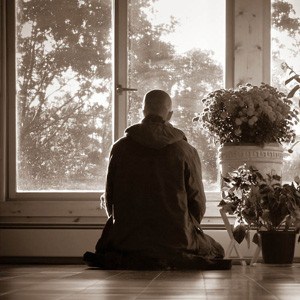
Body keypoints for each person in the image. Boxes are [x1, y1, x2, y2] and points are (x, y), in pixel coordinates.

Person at [83, 89, 228, 270]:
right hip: (177, 242)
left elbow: (110, 198)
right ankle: (166, 257)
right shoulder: (186, 150)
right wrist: (187, 228)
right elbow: (197, 202)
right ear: (170, 114)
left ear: (143, 111)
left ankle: (140, 257)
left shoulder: (119, 148)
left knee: (107, 249)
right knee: (217, 250)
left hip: (126, 243)